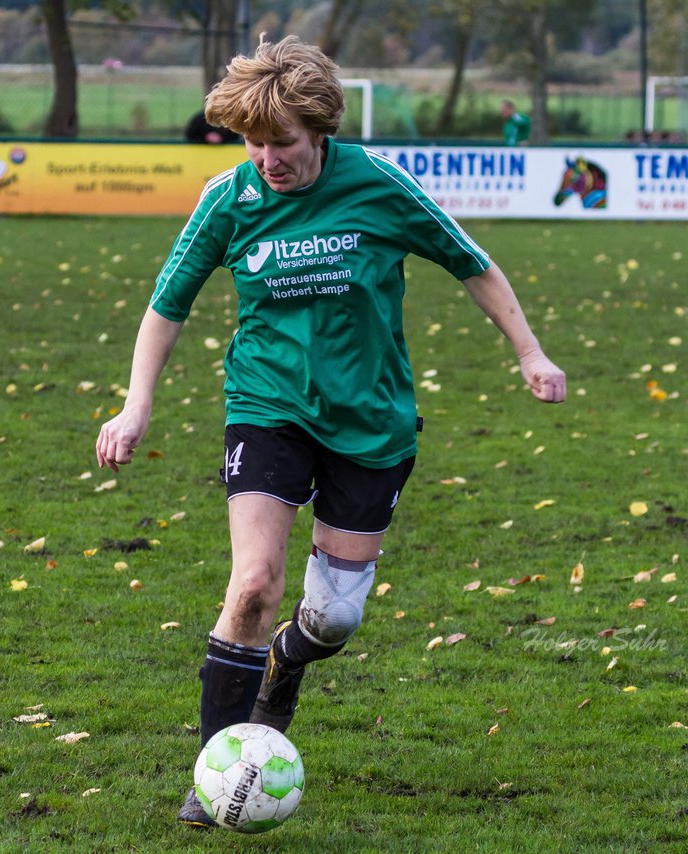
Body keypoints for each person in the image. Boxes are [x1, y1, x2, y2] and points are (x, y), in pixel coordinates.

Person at [94, 35, 566, 829]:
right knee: (252, 587)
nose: (266, 160)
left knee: (334, 618)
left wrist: (531, 352)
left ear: (319, 134)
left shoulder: (377, 185)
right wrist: (135, 404)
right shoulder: (229, 198)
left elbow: (473, 264)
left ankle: (287, 664)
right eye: (252, 143)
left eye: (281, 144)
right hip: (268, 406)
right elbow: (166, 306)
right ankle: (218, 775)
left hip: (371, 421)